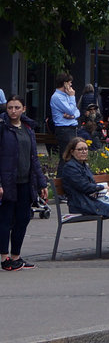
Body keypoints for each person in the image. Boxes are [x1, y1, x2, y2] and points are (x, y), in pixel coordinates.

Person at [0, 96, 49, 270]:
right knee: (5, 219)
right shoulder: (3, 127)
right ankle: (5, 258)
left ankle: (16, 256)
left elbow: (34, 158)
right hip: (7, 182)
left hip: (26, 182)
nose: (13, 111)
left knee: (23, 219)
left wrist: (42, 184)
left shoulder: (28, 128)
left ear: (24, 109)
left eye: (16, 107)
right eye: (10, 107)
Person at [59, 137, 109, 257]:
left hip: (89, 200)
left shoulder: (83, 165)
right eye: (80, 149)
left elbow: (90, 186)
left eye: (85, 149)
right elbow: (84, 186)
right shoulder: (70, 167)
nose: (84, 152)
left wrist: (98, 188)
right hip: (80, 204)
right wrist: (101, 188)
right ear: (71, 151)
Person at [50, 72, 80, 159]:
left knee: (72, 156)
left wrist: (73, 116)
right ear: (65, 83)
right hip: (64, 129)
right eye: (70, 82)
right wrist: (72, 97)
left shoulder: (66, 95)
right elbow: (71, 110)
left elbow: (77, 111)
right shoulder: (57, 97)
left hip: (71, 128)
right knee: (66, 157)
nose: (71, 85)